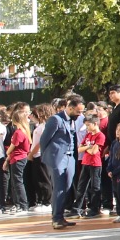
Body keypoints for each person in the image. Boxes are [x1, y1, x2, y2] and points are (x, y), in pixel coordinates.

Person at [35, 95, 80, 230]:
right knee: (59, 188)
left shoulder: (73, 120)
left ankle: (60, 216)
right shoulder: (55, 119)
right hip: (57, 158)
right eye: (78, 111)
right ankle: (56, 218)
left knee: (65, 187)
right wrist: (49, 157)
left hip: (70, 157)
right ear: (70, 108)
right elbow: (44, 140)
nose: (80, 114)